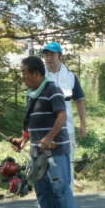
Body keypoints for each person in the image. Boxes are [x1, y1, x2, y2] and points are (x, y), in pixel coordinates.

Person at [12, 56, 79, 208]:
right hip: (37, 151)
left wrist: (49, 138)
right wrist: (23, 139)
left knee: (61, 189)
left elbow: (62, 117)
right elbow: (32, 122)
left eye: (24, 72)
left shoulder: (53, 90)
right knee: (42, 190)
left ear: (36, 73)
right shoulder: (32, 94)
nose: (23, 77)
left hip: (55, 150)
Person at [41, 42, 87, 186]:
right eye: (46, 55)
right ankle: (48, 198)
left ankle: (69, 194)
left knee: (68, 163)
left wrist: (83, 125)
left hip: (67, 127)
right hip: (45, 128)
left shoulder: (70, 76)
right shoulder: (40, 76)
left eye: (52, 55)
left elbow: (80, 100)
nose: (49, 58)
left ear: (59, 56)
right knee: (45, 164)